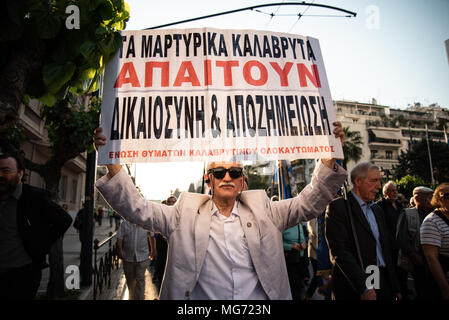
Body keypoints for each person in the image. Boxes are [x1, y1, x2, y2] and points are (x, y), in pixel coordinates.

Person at [93, 122, 346, 300]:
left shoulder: (266, 211)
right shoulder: (183, 213)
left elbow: (308, 203)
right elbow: (138, 209)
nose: (227, 177)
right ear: (209, 181)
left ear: (242, 182)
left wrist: (328, 157)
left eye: (234, 172)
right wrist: (113, 165)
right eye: (219, 172)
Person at [0, 152, 72, 300]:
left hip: (22, 275)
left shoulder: (34, 197)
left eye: (6, 171)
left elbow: (64, 220)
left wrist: (42, 245)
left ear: (20, 173)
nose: (1, 175)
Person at [325, 162, 401, 300]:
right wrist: (364, 287)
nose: (378, 186)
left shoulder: (377, 210)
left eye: (379, 181)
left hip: (379, 277)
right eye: (373, 181)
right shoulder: (340, 208)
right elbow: (340, 251)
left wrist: (395, 287)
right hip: (355, 283)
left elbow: (384, 249)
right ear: (358, 181)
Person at [396, 186, 434, 299]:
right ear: (417, 198)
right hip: (417, 261)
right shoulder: (407, 214)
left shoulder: (435, 214)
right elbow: (401, 238)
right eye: (427, 197)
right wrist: (413, 255)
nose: (431, 200)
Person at [376, 180, 407, 298]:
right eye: (391, 191)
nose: (394, 193)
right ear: (385, 193)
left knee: (402, 274)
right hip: (387, 248)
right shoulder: (380, 206)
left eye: (395, 191)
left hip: (400, 247)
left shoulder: (400, 206)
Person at [420, 183, 449, 300]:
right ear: (438, 199)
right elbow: (431, 258)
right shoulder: (431, 221)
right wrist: (445, 289)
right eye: (447, 196)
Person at [117, 220, 152, 300]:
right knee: (130, 280)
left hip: (142, 257)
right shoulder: (125, 224)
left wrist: (153, 250)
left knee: (140, 280)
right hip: (128, 257)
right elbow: (119, 237)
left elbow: (151, 236)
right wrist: (120, 250)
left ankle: (140, 298)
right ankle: (132, 297)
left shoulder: (146, 223)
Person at [282, 222, 308, 300]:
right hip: (290, 259)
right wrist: (290, 246)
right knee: (294, 286)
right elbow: (276, 242)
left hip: (300, 258)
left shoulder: (298, 223)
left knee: (299, 286)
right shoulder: (283, 224)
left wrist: (304, 244)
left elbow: (303, 238)